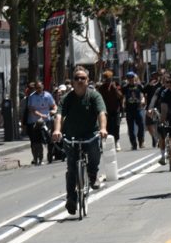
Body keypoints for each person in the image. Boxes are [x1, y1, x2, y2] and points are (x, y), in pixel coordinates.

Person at [51, 66, 108, 215]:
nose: (80, 81)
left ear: (88, 80)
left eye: (83, 78)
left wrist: (103, 128)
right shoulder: (67, 98)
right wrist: (57, 130)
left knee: (95, 149)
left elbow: (101, 113)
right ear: (73, 82)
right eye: (77, 78)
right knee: (71, 168)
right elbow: (59, 115)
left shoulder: (94, 96)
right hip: (72, 136)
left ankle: (93, 175)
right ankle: (71, 198)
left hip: (90, 134)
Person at [26, 81, 57, 165]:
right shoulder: (32, 97)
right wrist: (41, 115)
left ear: (43, 87)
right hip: (35, 121)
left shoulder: (47, 95)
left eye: (40, 87)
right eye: (37, 88)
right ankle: (38, 158)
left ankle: (50, 155)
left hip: (47, 121)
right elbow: (32, 109)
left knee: (50, 139)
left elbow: (54, 105)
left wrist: (54, 110)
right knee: (37, 141)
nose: (39, 89)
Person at [98, 70, 124, 151]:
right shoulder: (101, 88)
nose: (107, 81)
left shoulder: (116, 85)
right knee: (107, 127)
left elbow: (120, 96)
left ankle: (117, 141)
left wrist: (115, 88)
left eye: (109, 79)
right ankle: (106, 143)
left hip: (116, 110)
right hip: (106, 111)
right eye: (106, 79)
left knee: (116, 126)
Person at [122, 72, 146, 150]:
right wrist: (123, 103)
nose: (131, 80)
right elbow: (122, 96)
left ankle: (141, 141)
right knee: (131, 128)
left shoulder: (139, 86)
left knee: (141, 125)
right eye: (129, 78)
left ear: (134, 78)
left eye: (132, 78)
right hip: (129, 110)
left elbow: (144, 93)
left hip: (138, 109)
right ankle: (133, 143)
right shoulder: (125, 87)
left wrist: (143, 100)